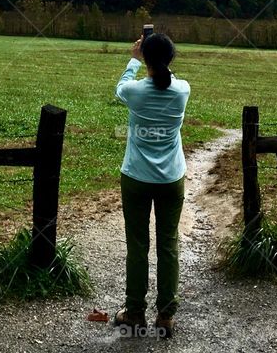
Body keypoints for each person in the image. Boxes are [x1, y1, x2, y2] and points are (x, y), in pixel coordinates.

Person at [113, 32, 190, 339]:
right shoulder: (183, 90)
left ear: (145, 57)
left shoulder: (134, 92)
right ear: (170, 58)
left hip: (136, 177)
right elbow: (171, 79)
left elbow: (120, 87)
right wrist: (154, 58)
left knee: (138, 245)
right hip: (171, 178)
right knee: (168, 244)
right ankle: (166, 315)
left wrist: (134, 58)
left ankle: (134, 313)